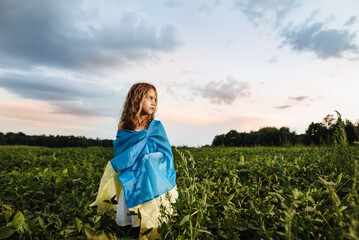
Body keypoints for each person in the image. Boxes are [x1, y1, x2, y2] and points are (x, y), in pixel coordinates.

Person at [90, 82, 178, 239]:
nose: (153, 103)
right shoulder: (125, 125)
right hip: (130, 179)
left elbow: (165, 153)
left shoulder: (155, 126)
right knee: (129, 222)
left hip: (150, 181)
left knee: (149, 218)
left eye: (155, 99)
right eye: (149, 98)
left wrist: (148, 158)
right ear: (137, 99)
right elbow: (121, 152)